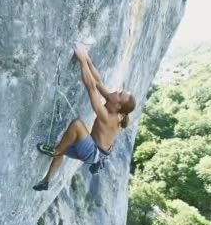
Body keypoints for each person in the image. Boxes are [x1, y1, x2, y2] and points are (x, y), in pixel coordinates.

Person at [32, 42, 136, 191]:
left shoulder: (108, 116)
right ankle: (47, 180)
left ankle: (55, 150)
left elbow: (91, 88)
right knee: (63, 146)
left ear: (119, 105)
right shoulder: (115, 105)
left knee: (77, 125)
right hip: (93, 152)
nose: (117, 91)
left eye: (120, 94)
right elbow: (98, 81)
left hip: (93, 152)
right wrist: (87, 58)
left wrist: (81, 60)